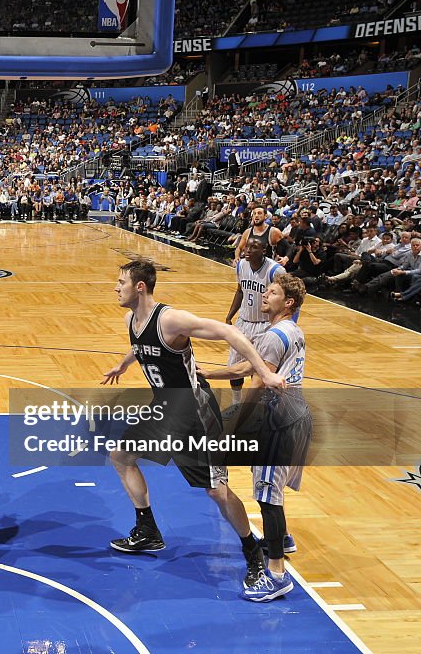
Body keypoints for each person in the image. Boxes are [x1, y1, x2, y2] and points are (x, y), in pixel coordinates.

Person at [101, 260, 284, 591]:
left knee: (215, 489)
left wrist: (265, 372)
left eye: (121, 282)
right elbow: (140, 345)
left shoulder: (171, 319)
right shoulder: (132, 318)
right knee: (121, 455)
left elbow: (230, 332)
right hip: (165, 409)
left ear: (139, 287)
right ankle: (147, 530)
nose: (116, 287)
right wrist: (123, 364)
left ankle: (252, 551)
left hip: (195, 414)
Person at [199, 274, 311, 602]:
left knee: (266, 496)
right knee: (269, 488)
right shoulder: (291, 330)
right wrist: (210, 373)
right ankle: (283, 539)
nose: (264, 295)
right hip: (295, 416)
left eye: (272, 292)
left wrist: (237, 424)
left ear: (288, 303)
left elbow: (258, 382)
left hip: (279, 422)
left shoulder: (275, 336)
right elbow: (253, 367)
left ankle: (276, 575)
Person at [224, 237, 285, 414]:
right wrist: (230, 316)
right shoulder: (241, 265)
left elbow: (289, 297)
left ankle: (254, 408)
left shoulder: (275, 270)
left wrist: (285, 323)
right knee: (234, 367)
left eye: (253, 247)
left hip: (264, 325)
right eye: (247, 246)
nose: (247, 250)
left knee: (257, 370)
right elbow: (240, 291)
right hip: (243, 323)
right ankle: (236, 404)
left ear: (264, 251)